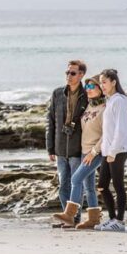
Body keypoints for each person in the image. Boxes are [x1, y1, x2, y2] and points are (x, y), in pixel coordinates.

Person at [52, 75, 105, 229]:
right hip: (84, 150)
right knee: (89, 187)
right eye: (86, 87)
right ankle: (93, 220)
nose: (87, 90)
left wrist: (93, 152)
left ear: (101, 89)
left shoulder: (106, 108)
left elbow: (107, 135)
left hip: (96, 152)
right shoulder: (89, 106)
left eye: (91, 87)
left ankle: (69, 215)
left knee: (75, 180)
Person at [46, 59, 88, 226]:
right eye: (67, 72)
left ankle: (75, 217)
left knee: (76, 184)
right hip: (60, 148)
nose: (68, 76)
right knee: (63, 184)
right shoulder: (57, 94)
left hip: (78, 149)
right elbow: (50, 121)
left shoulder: (87, 95)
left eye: (72, 73)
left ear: (81, 75)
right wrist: (50, 147)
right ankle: (67, 217)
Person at [94, 69, 127, 232]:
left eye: (104, 82)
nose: (102, 85)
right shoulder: (110, 101)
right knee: (102, 185)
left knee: (118, 185)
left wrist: (113, 151)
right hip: (107, 150)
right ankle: (111, 219)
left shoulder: (119, 101)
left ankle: (120, 222)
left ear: (113, 82)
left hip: (118, 150)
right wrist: (105, 150)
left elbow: (121, 129)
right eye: (101, 82)